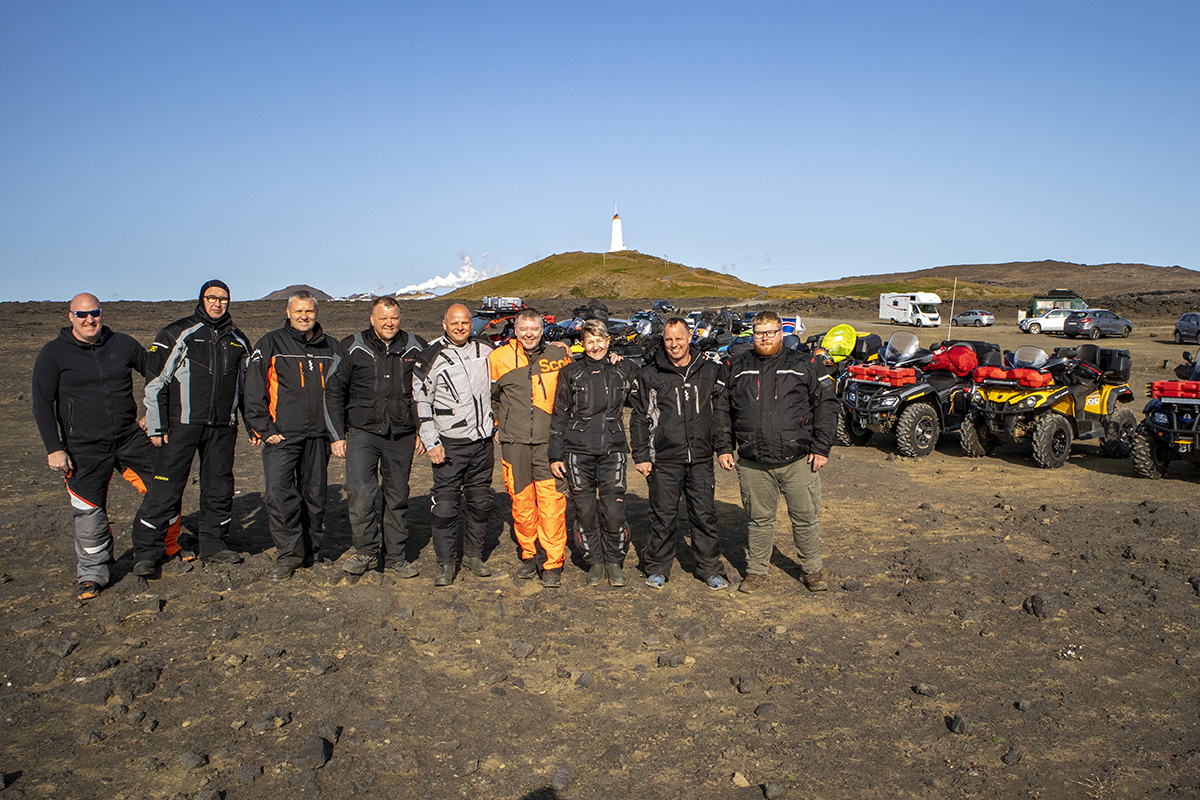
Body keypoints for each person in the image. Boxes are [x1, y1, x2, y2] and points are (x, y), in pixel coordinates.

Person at [32, 294, 184, 600]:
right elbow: (41, 403)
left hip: (128, 437)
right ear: (70, 316)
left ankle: (165, 546)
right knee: (88, 511)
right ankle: (92, 573)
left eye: (95, 313)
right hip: (82, 446)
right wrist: (54, 447)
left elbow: (157, 373)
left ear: (102, 313)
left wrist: (151, 413)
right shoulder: (53, 354)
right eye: (82, 315)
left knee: (165, 487)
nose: (90, 320)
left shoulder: (122, 344)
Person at [131, 280, 251, 574]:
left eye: (223, 299)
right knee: (165, 489)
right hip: (181, 425)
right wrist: (157, 425)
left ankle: (214, 545)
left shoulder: (239, 340)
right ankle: (147, 552)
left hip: (223, 427)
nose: (217, 303)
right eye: (212, 298)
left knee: (219, 487)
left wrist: (254, 426)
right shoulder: (178, 333)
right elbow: (155, 381)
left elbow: (247, 388)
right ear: (202, 299)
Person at [721, 310, 838, 593]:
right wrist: (724, 446)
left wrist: (822, 446)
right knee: (759, 520)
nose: (765, 338)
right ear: (752, 334)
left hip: (798, 460)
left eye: (771, 332)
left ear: (781, 333)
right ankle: (756, 572)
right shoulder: (737, 365)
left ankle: (812, 570)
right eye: (759, 333)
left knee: (806, 517)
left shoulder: (805, 363)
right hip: (753, 461)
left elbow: (827, 404)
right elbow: (721, 407)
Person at [326, 296, 428, 579]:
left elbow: (428, 390)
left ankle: (395, 556)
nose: (389, 323)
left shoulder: (415, 346)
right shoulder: (352, 346)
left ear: (400, 317)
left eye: (393, 317)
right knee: (361, 492)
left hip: (402, 433)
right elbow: (333, 390)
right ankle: (367, 552)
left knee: (396, 495)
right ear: (372, 319)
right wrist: (336, 434)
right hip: (362, 433)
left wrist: (423, 430)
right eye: (383, 318)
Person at [244, 291, 340, 584]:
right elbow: (253, 387)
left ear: (316, 312)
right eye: (298, 311)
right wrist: (263, 428)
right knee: (278, 493)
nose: (304, 316)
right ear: (288, 312)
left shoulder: (332, 347)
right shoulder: (271, 343)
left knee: (314, 496)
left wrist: (337, 430)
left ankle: (312, 550)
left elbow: (341, 392)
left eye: (309, 311)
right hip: (282, 435)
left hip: (318, 436)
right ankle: (288, 555)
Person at [630, 317, 733, 590]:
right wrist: (641, 455)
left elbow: (721, 414)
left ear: (690, 338)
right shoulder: (650, 374)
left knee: (704, 514)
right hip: (664, 458)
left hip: (700, 458)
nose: (674, 344)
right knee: (662, 516)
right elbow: (640, 417)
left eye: (679, 338)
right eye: (668, 339)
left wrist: (723, 448)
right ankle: (657, 568)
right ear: (663, 341)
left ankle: (710, 568)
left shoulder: (711, 370)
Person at [549, 319, 640, 587]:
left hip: (613, 450)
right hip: (577, 452)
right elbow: (559, 416)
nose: (596, 346)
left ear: (608, 341)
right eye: (590, 341)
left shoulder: (620, 370)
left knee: (613, 511)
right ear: (583, 344)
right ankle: (595, 563)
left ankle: (614, 561)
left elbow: (643, 384)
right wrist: (556, 455)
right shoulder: (571, 373)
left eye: (600, 340)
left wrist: (623, 362)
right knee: (585, 511)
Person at [413, 304, 497, 587]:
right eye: (454, 323)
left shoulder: (486, 350)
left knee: (481, 502)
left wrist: (559, 345)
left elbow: (513, 366)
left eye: (465, 322)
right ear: (444, 324)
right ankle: (446, 563)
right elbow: (421, 402)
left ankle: (473, 556)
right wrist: (430, 441)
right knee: (446, 507)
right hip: (449, 444)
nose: (460, 327)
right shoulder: (430, 357)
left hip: (483, 442)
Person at [489, 307, 573, 588]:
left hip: (549, 443)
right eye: (523, 329)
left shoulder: (559, 355)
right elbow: (492, 397)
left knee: (551, 504)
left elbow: (578, 381)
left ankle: (552, 561)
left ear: (542, 329)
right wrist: (499, 424)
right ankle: (530, 554)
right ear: (515, 330)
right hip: (514, 444)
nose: (529, 334)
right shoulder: (498, 357)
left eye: (534, 329)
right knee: (522, 503)